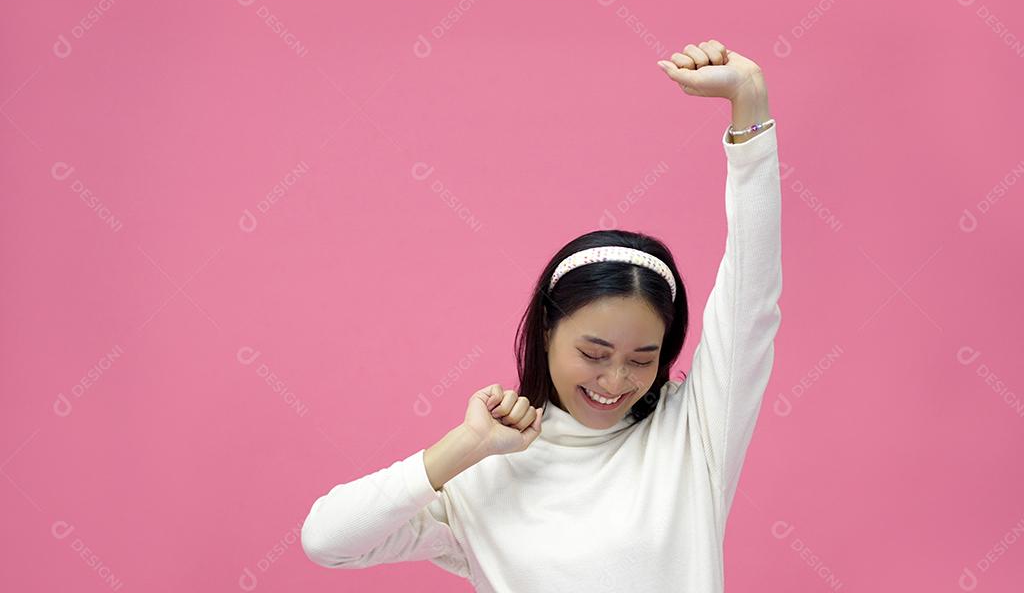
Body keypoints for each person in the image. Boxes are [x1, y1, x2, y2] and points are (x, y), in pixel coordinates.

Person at [300, 38, 781, 592]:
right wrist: (467, 447)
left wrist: (750, 104)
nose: (615, 380)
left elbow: (752, 302)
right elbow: (326, 541)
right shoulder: (485, 471)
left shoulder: (692, 432)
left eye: (641, 359)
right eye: (593, 353)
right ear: (548, 329)